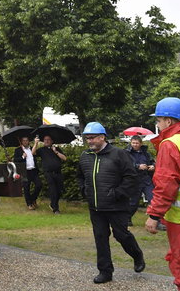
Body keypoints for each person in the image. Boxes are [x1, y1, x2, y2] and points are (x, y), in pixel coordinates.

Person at [77, 121, 144, 284]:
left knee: (121, 235)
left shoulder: (119, 154)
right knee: (100, 237)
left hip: (116, 205)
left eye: (92, 138)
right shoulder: (85, 156)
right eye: (87, 138)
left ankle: (137, 255)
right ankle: (105, 272)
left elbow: (131, 177)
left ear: (102, 137)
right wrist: (84, 191)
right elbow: (80, 177)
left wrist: (117, 193)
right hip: (96, 207)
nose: (90, 141)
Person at [144, 97, 180, 290]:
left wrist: (154, 215)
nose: (158, 125)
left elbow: (165, 185)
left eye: (158, 120)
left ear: (168, 121)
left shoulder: (171, 144)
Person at [126, 134, 156, 221]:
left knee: (153, 199)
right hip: (134, 180)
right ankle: (127, 219)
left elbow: (153, 162)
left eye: (137, 143)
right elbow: (124, 165)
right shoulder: (126, 153)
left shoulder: (146, 153)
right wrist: (137, 166)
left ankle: (156, 220)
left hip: (146, 180)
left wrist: (153, 166)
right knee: (133, 203)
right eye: (133, 143)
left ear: (141, 144)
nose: (135, 145)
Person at [35, 134, 66, 214]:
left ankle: (52, 204)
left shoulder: (57, 149)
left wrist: (56, 152)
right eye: (45, 139)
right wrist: (36, 143)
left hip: (58, 173)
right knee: (53, 190)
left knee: (59, 191)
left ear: (52, 141)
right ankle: (56, 209)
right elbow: (33, 153)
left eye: (48, 139)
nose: (46, 141)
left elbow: (64, 158)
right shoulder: (41, 150)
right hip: (48, 173)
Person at [13, 135, 42, 210]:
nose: (25, 142)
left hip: (33, 170)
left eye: (26, 140)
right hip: (25, 171)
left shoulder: (32, 149)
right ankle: (29, 204)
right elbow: (15, 160)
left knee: (39, 185)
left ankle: (33, 199)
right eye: (24, 140)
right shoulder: (18, 150)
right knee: (26, 188)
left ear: (28, 141)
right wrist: (23, 157)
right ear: (21, 142)